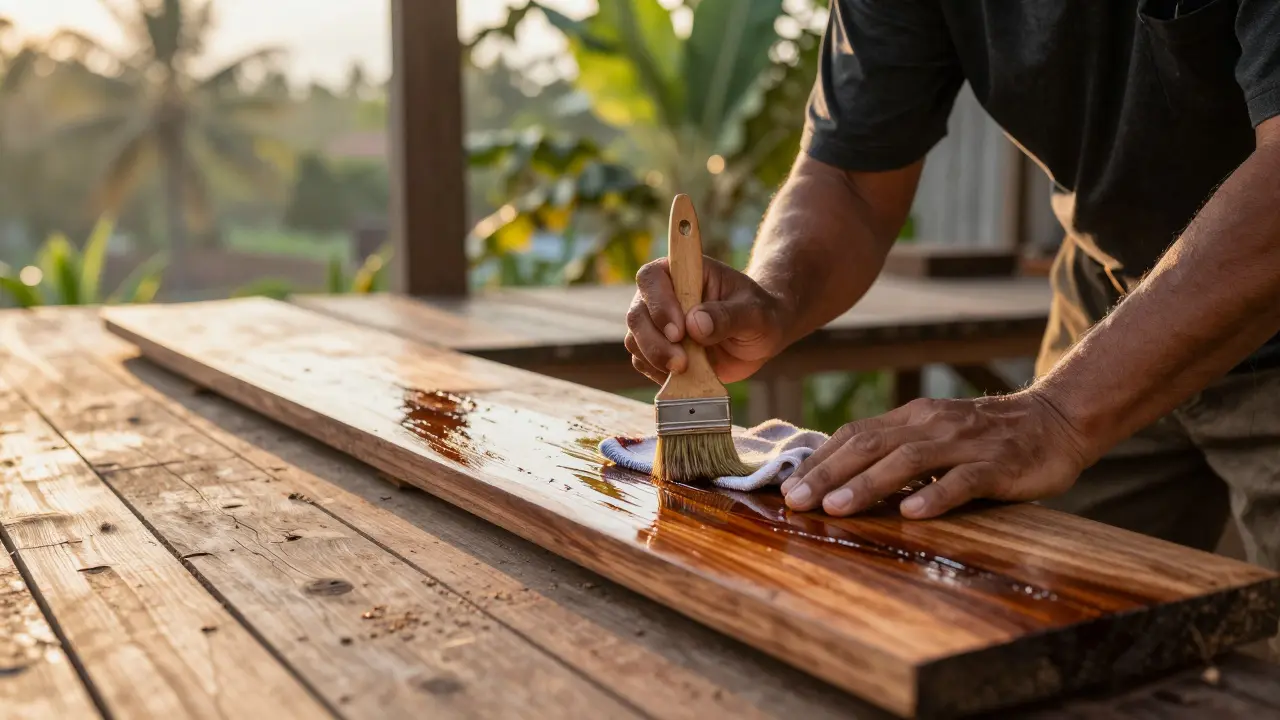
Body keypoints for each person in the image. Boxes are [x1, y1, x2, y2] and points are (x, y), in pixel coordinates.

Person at [623, 0, 1280, 571]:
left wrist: (1055, 418)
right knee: (1026, 614)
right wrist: (773, 295)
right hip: (1107, 314)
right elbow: (850, 177)